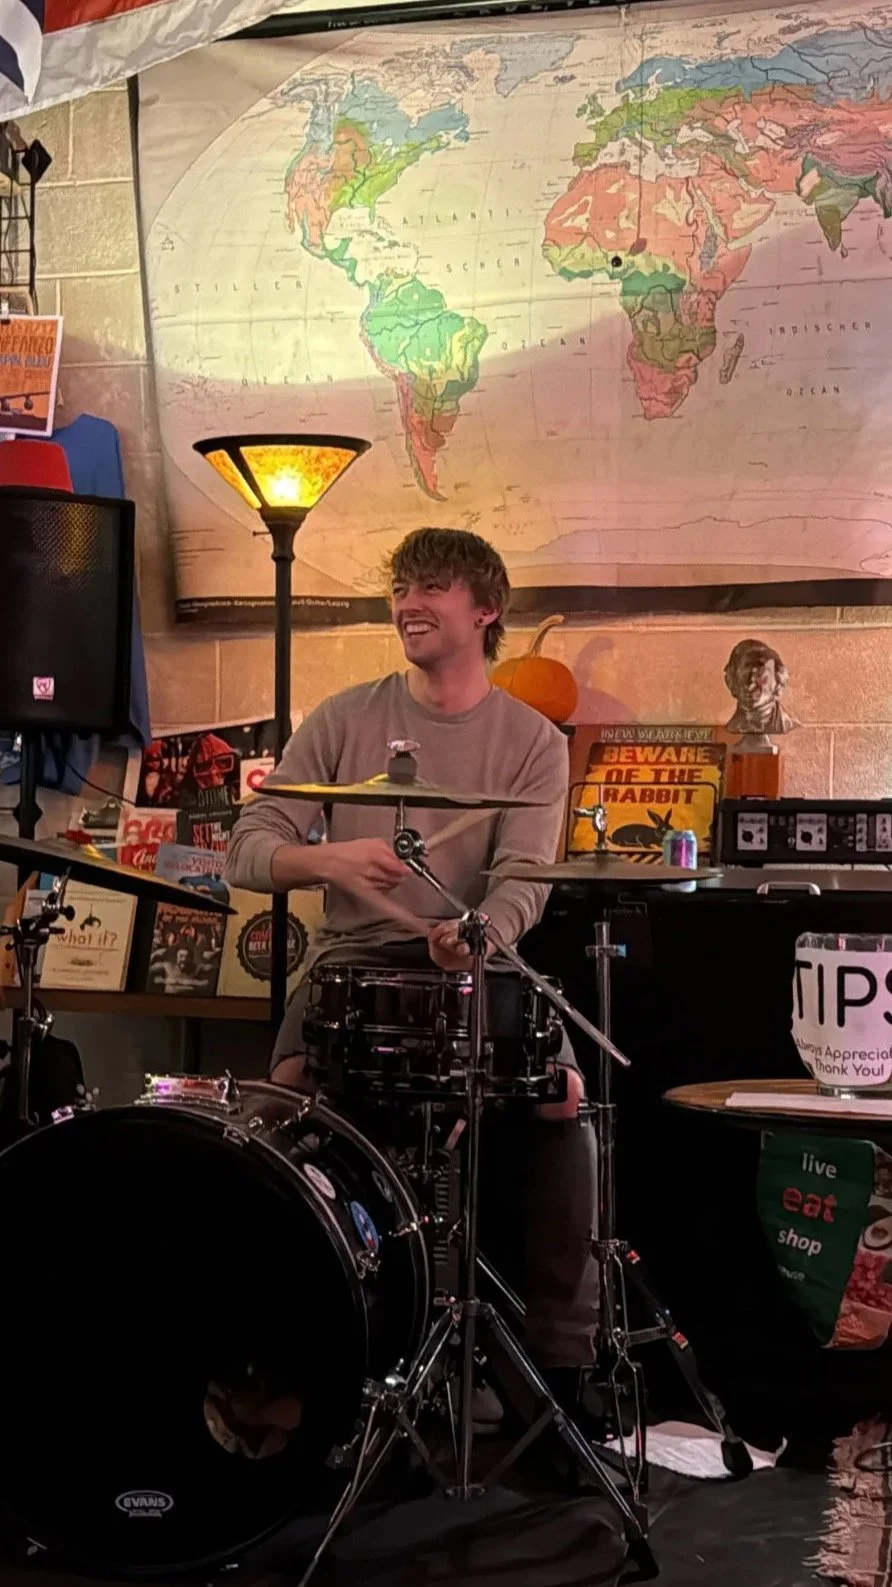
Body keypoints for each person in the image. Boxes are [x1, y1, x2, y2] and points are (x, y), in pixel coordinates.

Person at [226, 527, 597, 1394]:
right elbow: (249, 847)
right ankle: (311, 1352)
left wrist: (477, 934)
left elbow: (523, 881)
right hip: (352, 960)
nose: (407, 604)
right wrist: (327, 861)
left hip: (475, 961)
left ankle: (559, 1362)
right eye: (400, 587)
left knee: (564, 1098)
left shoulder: (535, 742)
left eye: (430, 587)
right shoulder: (346, 717)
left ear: (486, 609)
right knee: (290, 1087)